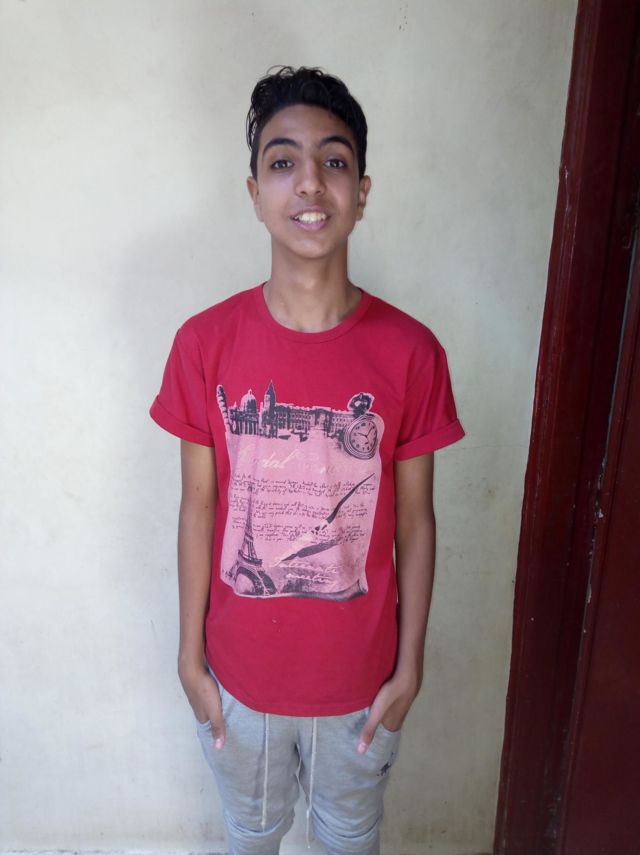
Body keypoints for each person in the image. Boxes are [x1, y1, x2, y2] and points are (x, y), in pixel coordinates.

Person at [150, 65, 464, 855]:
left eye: (335, 160)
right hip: (239, 679)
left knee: (348, 841)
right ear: (254, 191)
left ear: (362, 190)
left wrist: (410, 666)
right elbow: (198, 505)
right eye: (283, 160)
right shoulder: (204, 344)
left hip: (361, 684)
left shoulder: (412, 352)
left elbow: (417, 519)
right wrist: (190, 658)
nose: (311, 182)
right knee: (251, 837)